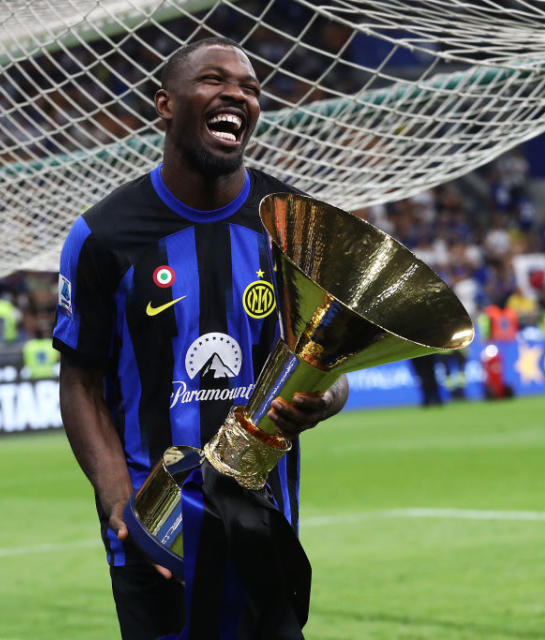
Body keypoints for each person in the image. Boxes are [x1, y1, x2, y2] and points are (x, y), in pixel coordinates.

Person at [52, 37, 349, 640]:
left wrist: (326, 397)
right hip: (154, 531)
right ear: (165, 104)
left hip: (266, 526)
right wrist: (120, 503)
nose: (236, 94)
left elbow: (331, 366)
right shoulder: (103, 237)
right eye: (215, 80)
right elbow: (80, 383)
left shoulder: (293, 222)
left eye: (250, 88)